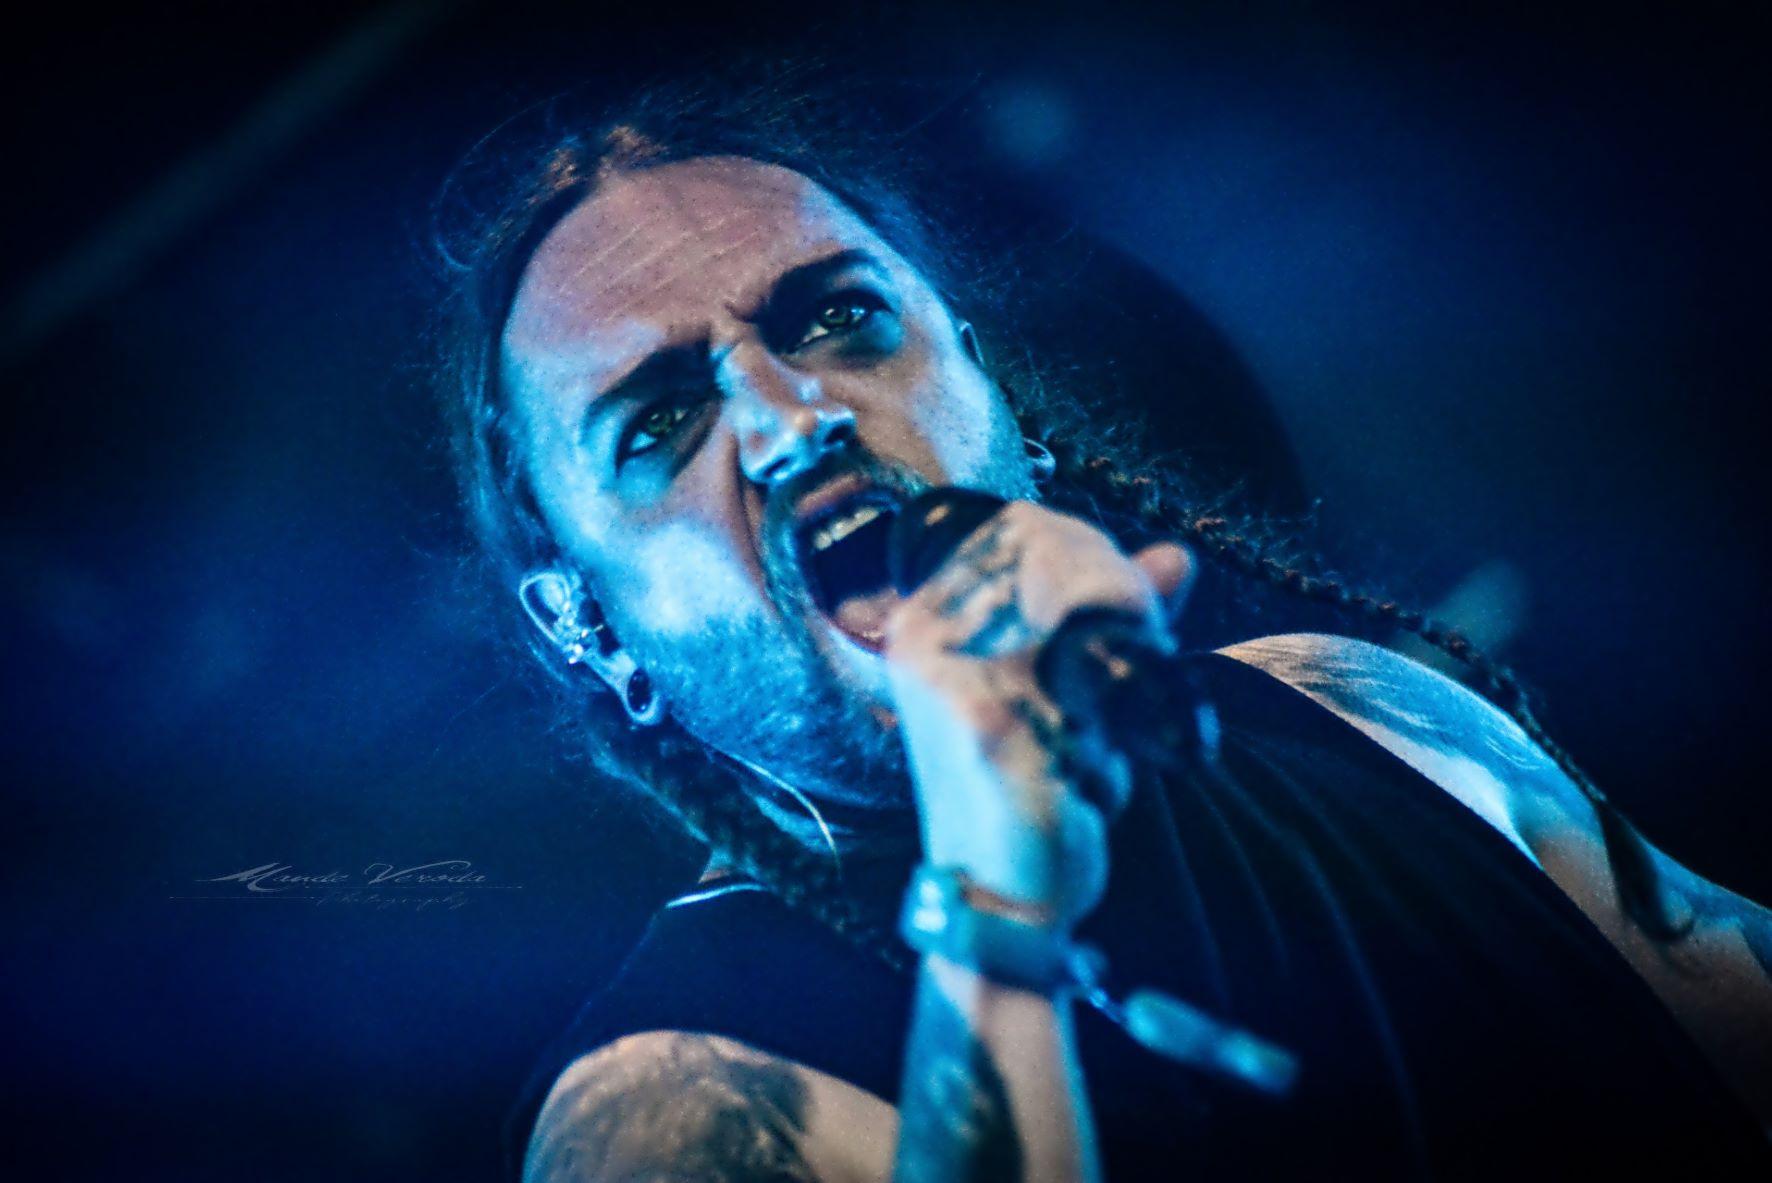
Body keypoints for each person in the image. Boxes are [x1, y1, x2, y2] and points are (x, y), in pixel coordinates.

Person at [436, 74, 1772, 1181]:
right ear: (584, 624)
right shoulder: (666, 1110)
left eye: (844, 319)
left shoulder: (1349, 707)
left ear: (989, 386)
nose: (795, 420)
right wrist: (1001, 887)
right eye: (663, 420)